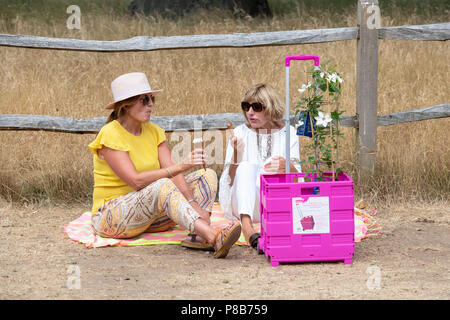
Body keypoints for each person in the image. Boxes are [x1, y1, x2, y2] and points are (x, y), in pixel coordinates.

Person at [88, 72, 241, 258]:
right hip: (112, 217)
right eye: (145, 100)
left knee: (206, 175)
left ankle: (198, 237)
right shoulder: (110, 134)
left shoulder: (154, 131)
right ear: (126, 105)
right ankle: (213, 236)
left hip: (151, 219)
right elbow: (136, 181)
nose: (151, 104)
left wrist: (192, 202)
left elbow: (173, 172)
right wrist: (182, 166)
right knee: (162, 184)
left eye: (152, 99)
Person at [219, 83, 301, 249]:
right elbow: (228, 183)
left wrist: (288, 167)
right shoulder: (239, 133)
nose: (250, 112)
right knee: (246, 167)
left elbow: (298, 179)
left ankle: (272, 226)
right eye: (246, 106)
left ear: (270, 108)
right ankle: (247, 228)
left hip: (275, 203)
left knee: (268, 175)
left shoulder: (289, 133)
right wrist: (236, 157)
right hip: (244, 203)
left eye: (256, 107)